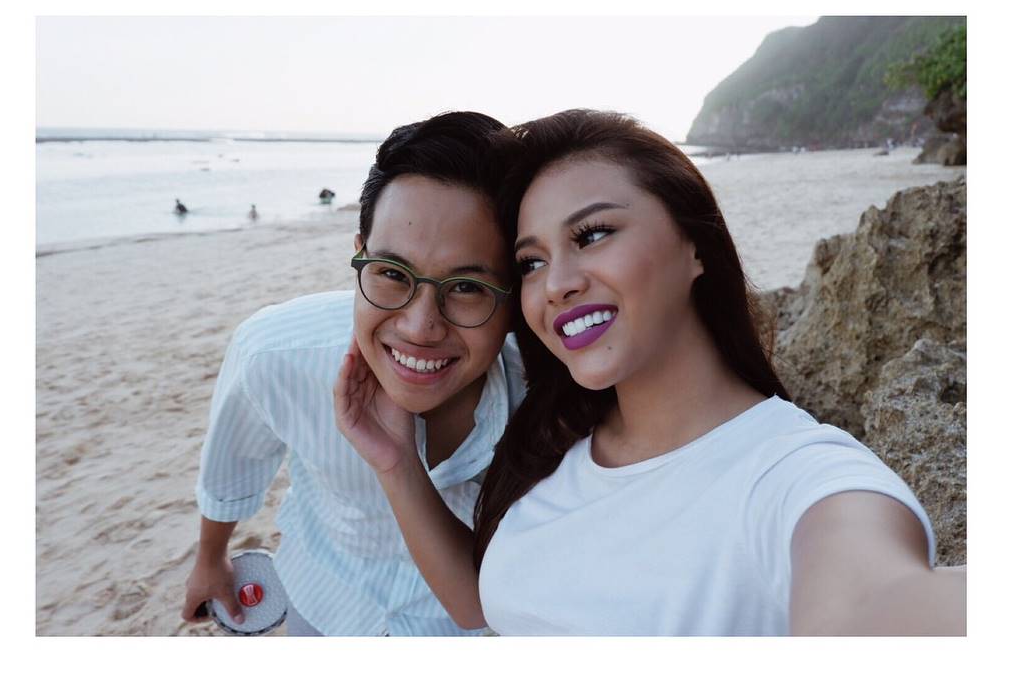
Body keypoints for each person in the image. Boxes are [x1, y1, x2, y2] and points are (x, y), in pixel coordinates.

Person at [336, 109, 966, 635]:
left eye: (592, 234)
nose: (557, 283)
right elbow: (481, 603)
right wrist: (397, 464)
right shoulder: (554, 437)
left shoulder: (794, 476)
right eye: (531, 262)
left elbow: (878, 597)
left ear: (694, 245)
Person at [182, 111, 524, 635]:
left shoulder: (548, 400)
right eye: (392, 273)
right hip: (326, 597)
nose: (419, 327)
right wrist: (210, 558)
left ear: (514, 297)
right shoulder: (276, 354)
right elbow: (233, 461)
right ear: (359, 253)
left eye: (466, 287)